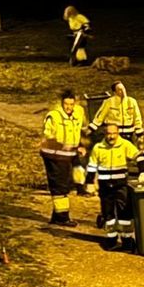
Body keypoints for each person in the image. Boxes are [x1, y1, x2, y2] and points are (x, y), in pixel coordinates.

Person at [88, 119, 140, 248]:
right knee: (108, 213)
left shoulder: (125, 145)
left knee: (124, 213)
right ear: (105, 134)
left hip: (121, 184)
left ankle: (127, 240)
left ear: (118, 133)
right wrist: (89, 182)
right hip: (105, 186)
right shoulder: (98, 148)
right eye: (109, 134)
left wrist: (143, 171)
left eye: (114, 134)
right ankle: (111, 239)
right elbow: (91, 166)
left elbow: (139, 156)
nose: (111, 136)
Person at [39, 89, 87, 225]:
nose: (69, 107)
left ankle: (57, 215)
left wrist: (80, 146)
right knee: (59, 185)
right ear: (61, 103)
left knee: (65, 183)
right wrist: (61, 145)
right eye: (66, 104)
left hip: (68, 154)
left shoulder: (78, 112)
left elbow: (79, 131)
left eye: (71, 104)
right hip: (53, 155)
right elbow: (47, 135)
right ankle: (62, 217)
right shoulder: (53, 116)